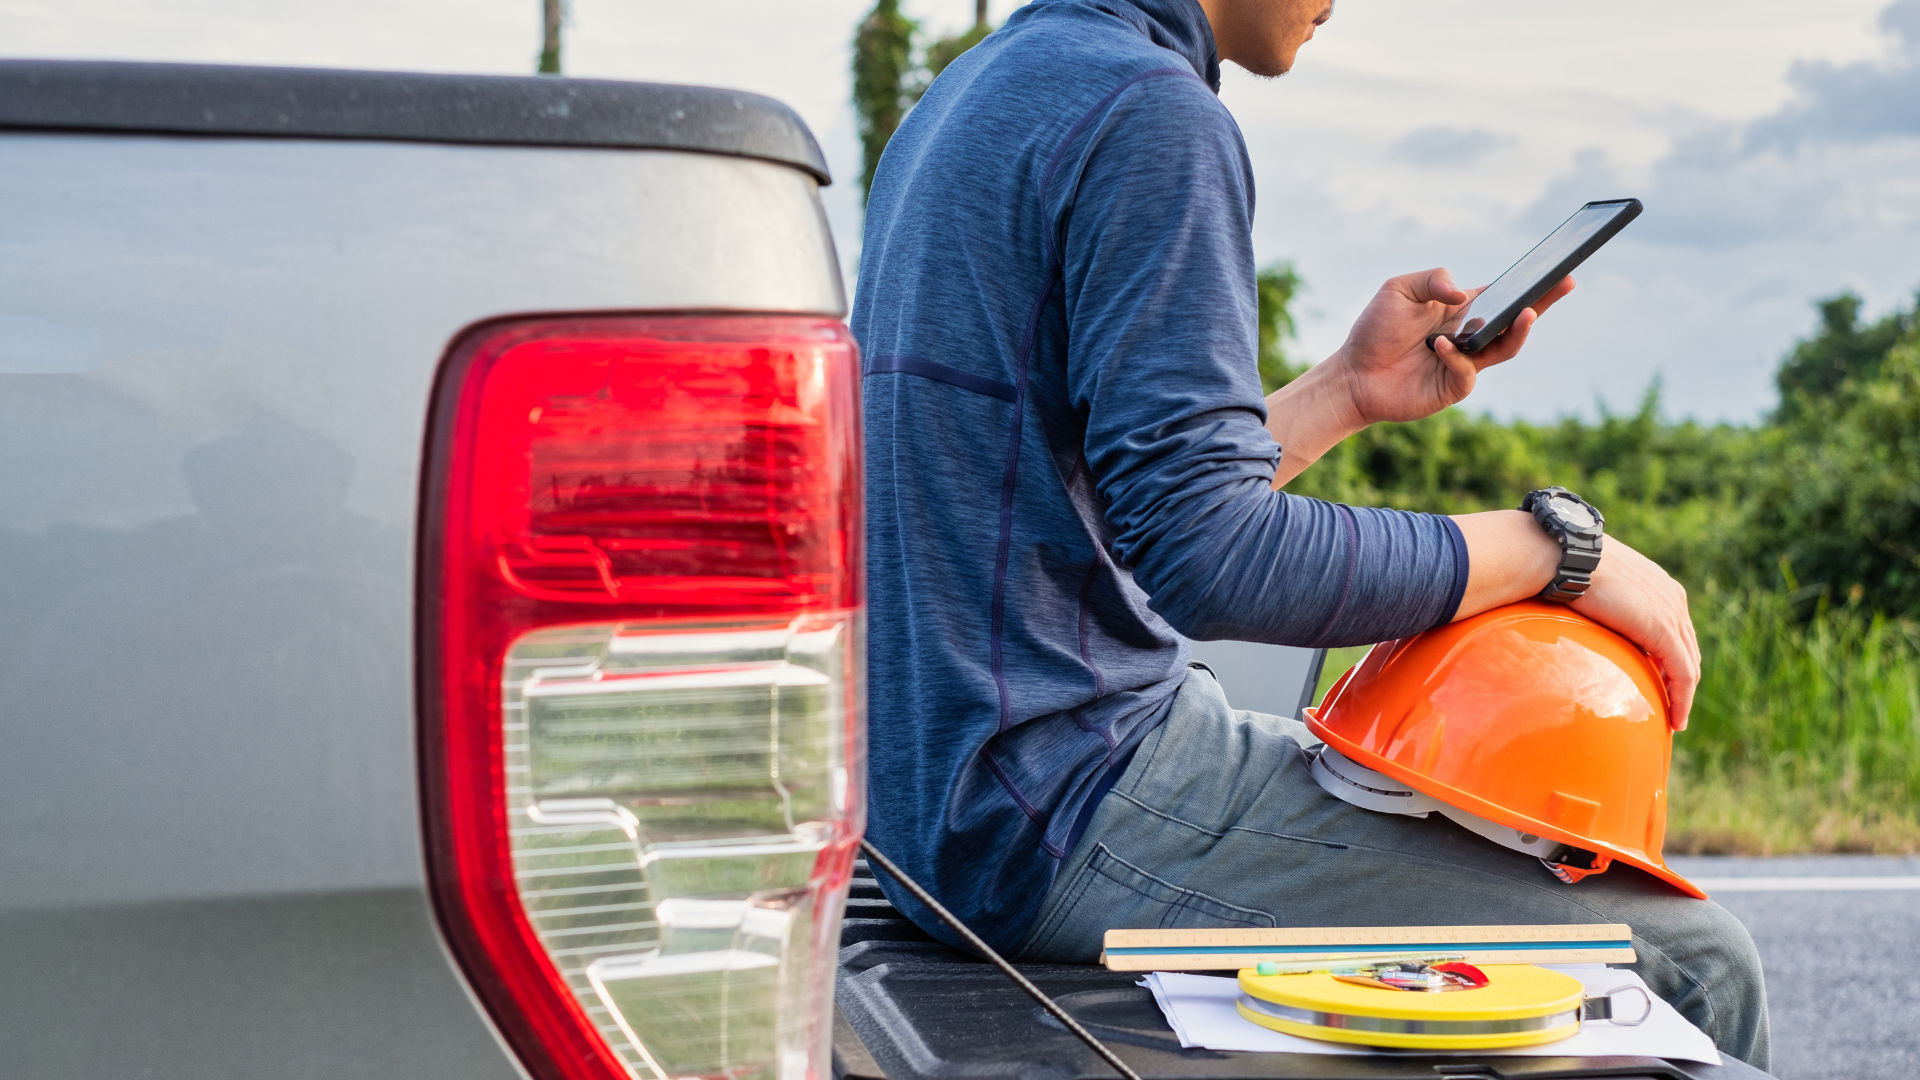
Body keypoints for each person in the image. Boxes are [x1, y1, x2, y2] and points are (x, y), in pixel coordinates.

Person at [849, 0, 1767, 1068]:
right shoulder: (1150, 114)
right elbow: (1214, 561)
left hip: (951, 800)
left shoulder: (977, 91)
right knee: (1697, 961)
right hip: (1067, 800)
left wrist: (1346, 389)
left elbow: (1095, 502)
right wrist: (1557, 552)